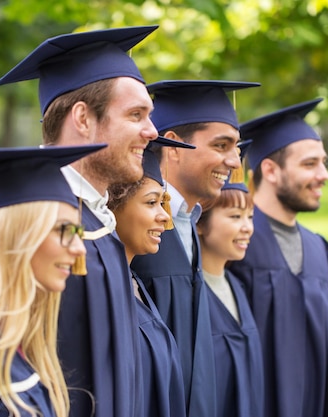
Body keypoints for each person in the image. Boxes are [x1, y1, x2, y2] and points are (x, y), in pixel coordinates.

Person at [0, 26, 160, 417]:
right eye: (136, 115)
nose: (151, 132)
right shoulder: (27, 222)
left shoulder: (101, 222)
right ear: (83, 119)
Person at [0, 144, 104, 417]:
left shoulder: (19, 343)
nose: (80, 249)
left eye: (78, 230)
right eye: (63, 230)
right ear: (14, 235)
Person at [131, 80, 259, 417]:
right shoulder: (137, 229)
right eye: (221, 145)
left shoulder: (189, 223)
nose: (234, 161)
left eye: (236, 148)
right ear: (173, 146)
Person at [229, 98, 328, 417]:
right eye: (310, 164)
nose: (324, 174)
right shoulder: (234, 246)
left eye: (323, 162)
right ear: (270, 170)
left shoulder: (321, 251)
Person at [108, 137, 192, 417]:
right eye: (152, 202)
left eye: (163, 203)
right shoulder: (104, 292)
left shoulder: (134, 284)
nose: (165, 218)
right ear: (112, 206)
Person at [195, 141, 264, 417]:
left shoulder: (236, 286)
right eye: (235, 216)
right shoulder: (192, 294)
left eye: (250, 216)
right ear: (199, 223)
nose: (247, 227)